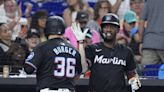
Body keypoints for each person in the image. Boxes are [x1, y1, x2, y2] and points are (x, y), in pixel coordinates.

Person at [73, 13, 141, 92]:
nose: (108, 29)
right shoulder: (93, 49)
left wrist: (135, 80)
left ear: (118, 29)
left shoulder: (126, 51)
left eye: (112, 27)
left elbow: (132, 74)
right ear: (101, 29)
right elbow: (83, 69)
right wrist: (80, 43)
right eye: (105, 27)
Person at [24, 16, 82, 92]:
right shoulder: (73, 49)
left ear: (47, 29)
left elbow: (28, 69)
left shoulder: (42, 47)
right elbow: (78, 73)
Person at [139, 0, 164, 69]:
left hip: (149, 43)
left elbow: (141, 22)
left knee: (147, 74)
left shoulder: (149, 1)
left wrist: (141, 41)